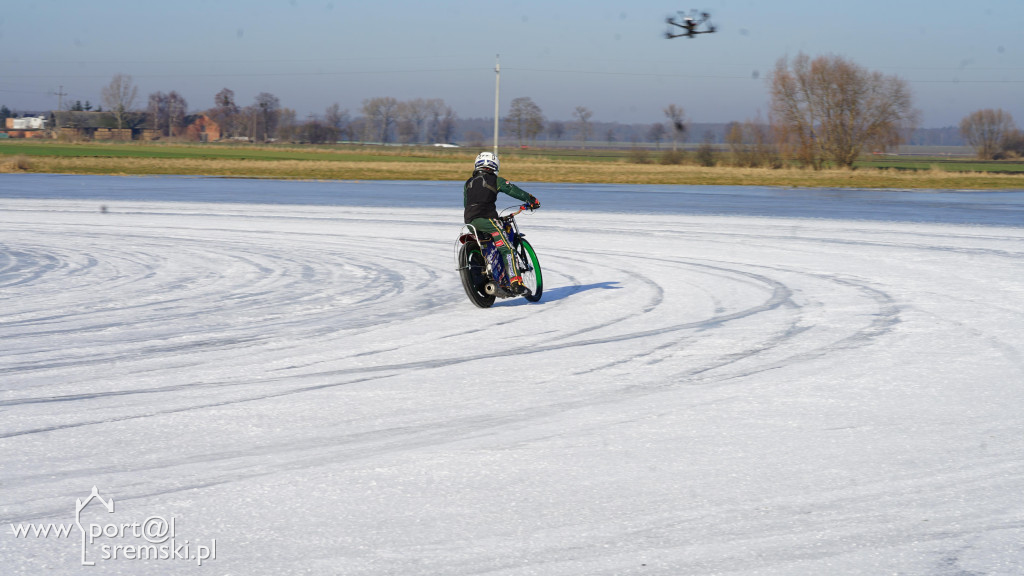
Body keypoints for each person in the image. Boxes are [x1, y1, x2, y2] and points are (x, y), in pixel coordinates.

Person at [463, 151, 540, 294]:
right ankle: (516, 282)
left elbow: (466, 203)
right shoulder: (495, 180)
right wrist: (531, 200)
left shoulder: (468, 183)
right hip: (487, 219)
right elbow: (513, 190)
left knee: (488, 244)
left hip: (469, 221)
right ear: (494, 166)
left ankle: (491, 271)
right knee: (508, 249)